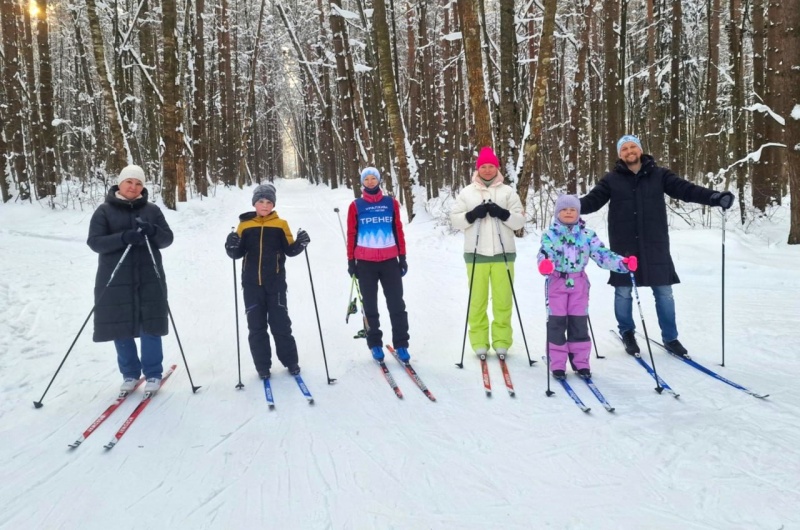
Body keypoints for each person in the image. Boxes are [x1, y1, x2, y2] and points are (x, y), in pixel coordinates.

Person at [580, 134, 735, 357]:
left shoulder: (660, 175)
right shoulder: (611, 180)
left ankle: (671, 338)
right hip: (623, 245)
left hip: (655, 243)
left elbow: (686, 190)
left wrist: (714, 197)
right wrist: (572, 206)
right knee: (623, 291)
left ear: (640, 150)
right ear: (619, 154)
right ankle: (627, 333)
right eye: (624, 148)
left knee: (664, 292)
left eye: (633, 146)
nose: (629, 151)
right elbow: (592, 201)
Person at [87, 165, 174, 394]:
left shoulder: (152, 210)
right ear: (120, 183)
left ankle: (153, 373)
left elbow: (167, 239)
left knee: (150, 326)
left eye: (138, 184)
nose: (133, 187)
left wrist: (152, 230)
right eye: (129, 182)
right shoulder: (104, 211)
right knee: (121, 327)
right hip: (115, 279)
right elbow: (95, 242)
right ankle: (130, 374)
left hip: (149, 277)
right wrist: (123, 237)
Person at [537, 195, 634, 379]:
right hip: (557, 281)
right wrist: (545, 264)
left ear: (578, 212)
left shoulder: (588, 235)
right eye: (564, 210)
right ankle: (557, 363)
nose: (568, 212)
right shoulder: (550, 234)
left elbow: (602, 255)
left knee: (579, 323)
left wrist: (623, 263)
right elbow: (544, 253)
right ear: (558, 212)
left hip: (579, 283)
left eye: (572, 209)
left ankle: (581, 362)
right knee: (556, 324)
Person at [225, 183, 309, 379]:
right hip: (251, 285)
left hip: (276, 283)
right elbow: (236, 253)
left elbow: (290, 250)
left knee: (280, 324)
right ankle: (262, 366)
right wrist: (230, 246)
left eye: (269, 202)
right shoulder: (245, 225)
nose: (264, 205)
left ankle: (291, 361)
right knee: (256, 326)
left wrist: (301, 243)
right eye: (261, 201)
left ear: (273, 205)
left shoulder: (281, 224)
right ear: (254, 203)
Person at [450, 147, 525, 358]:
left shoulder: (508, 192)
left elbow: (519, 220)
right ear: (478, 169)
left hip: (504, 255)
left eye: (491, 166)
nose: (488, 170)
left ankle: (501, 341)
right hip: (476, 256)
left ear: (497, 167)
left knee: (503, 300)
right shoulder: (467, 192)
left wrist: (503, 214)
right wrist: (472, 215)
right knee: (477, 300)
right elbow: (455, 220)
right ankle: (479, 341)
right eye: (484, 166)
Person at [346, 167, 410, 362]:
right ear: (362, 182)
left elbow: (398, 230)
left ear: (379, 180)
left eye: (374, 178)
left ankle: (401, 344)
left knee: (396, 304)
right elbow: (351, 234)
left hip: (390, 261)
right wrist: (351, 260)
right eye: (367, 179)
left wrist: (402, 257)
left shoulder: (390, 203)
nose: (371, 182)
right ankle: (374, 343)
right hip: (365, 263)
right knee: (370, 306)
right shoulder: (356, 205)